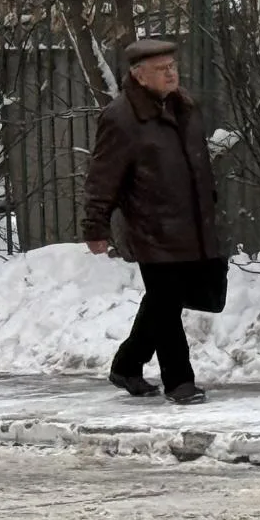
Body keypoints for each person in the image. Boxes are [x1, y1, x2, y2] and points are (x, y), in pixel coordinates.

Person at [83, 38, 226, 405]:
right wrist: (95, 226)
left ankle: (127, 365)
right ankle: (179, 382)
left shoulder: (184, 108)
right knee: (166, 303)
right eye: (162, 69)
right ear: (138, 75)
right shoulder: (122, 117)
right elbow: (103, 176)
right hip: (152, 227)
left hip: (192, 223)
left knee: (165, 301)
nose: (171, 73)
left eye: (173, 66)